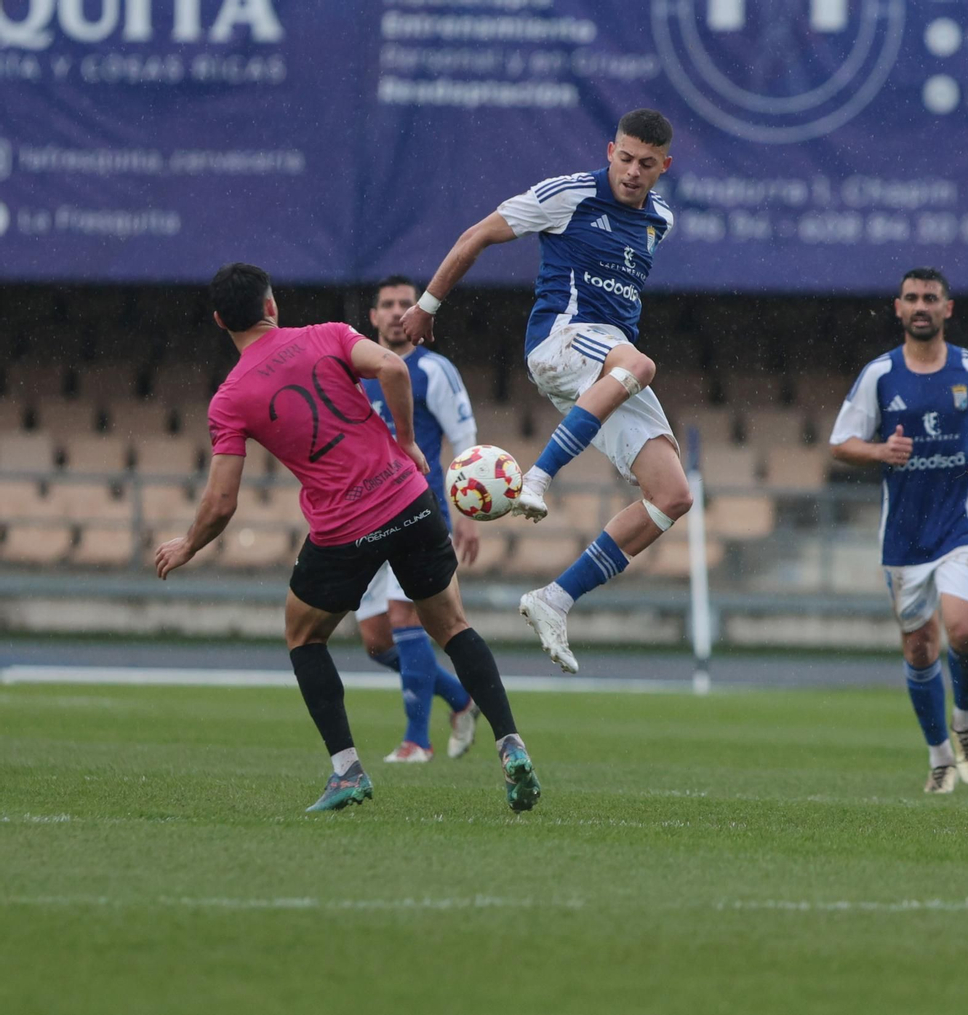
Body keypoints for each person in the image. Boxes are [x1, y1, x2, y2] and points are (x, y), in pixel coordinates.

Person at [156, 263, 540, 814]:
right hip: (410, 500)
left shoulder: (230, 399)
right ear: (272, 306)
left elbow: (221, 502)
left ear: (220, 321)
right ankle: (511, 746)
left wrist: (189, 544)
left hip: (344, 529)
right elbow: (393, 368)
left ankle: (347, 771)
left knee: (303, 636)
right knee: (452, 625)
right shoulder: (326, 334)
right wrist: (405, 443)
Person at [400, 108, 687, 676]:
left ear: (663, 167)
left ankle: (554, 599)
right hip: (560, 342)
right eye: (625, 158)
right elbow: (477, 234)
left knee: (672, 494)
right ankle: (537, 476)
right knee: (641, 362)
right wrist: (427, 305)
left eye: (646, 164)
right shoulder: (569, 194)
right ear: (610, 151)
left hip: (606, 367)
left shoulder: (660, 220)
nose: (632, 171)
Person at [829, 268, 968, 793]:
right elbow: (841, 442)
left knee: (963, 631)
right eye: (911, 298)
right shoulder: (879, 375)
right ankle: (939, 758)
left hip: (961, 520)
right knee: (918, 649)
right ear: (898, 307)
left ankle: (967, 723)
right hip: (906, 533)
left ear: (947, 308)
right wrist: (879, 451)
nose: (921, 306)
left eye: (930, 298)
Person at [354, 275, 482, 764]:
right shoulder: (357, 370)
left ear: (418, 313)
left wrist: (467, 513)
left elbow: (465, 439)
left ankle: (416, 741)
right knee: (375, 640)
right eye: (386, 304)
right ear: (372, 316)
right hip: (363, 515)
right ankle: (460, 698)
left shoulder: (434, 371)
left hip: (418, 509)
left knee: (406, 614)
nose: (395, 311)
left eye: (405, 303)